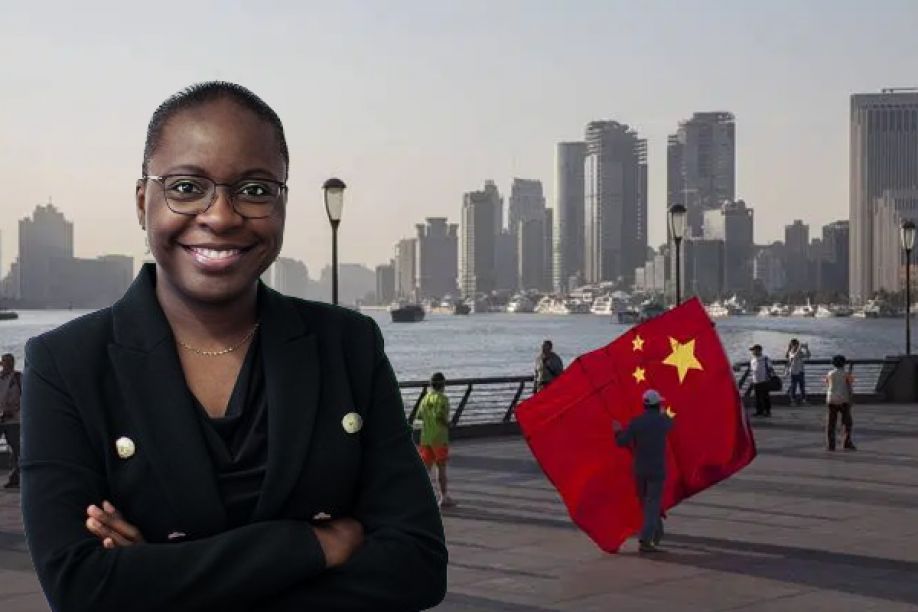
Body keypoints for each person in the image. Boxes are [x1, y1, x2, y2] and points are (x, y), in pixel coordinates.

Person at [20, 82, 446, 612]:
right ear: (142, 201)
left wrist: (159, 576)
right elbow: (81, 589)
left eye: (256, 190)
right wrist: (313, 544)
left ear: (283, 204)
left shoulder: (347, 345)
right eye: (185, 187)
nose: (221, 216)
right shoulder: (66, 364)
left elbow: (417, 567)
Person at [613, 389, 673, 553]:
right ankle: (646, 540)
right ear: (657, 404)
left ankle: (657, 533)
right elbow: (670, 423)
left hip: (640, 470)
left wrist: (617, 430)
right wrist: (663, 413)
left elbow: (621, 441)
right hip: (657, 470)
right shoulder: (663, 422)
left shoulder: (636, 423)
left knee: (648, 504)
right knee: (652, 505)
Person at [415, 372, 455, 509]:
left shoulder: (425, 398)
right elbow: (439, 415)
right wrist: (448, 424)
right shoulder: (442, 399)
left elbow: (419, 416)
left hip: (426, 437)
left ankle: (419, 496)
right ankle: (444, 497)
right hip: (439, 437)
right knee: (441, 467)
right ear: (443, 384)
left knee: (426, 468)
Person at [825, 355, 857, 451]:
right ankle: (846, 442)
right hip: (844, 400)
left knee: (831, 423)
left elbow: (827, 383)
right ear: (844, 364)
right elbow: (850, 387)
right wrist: (851, 399)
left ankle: (831, 445)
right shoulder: (846, 374)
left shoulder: (830, 373)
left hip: (831, 399)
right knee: (847, 422)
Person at [0, 353, 22, 489]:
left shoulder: (18, 378)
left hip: (13, 420)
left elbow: (26, 397)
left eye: (10, 361)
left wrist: (13, 411)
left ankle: (15, 478)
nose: (7, 364)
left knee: (15, 450)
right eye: (5, 361)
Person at [749, 344, 774, 417]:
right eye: (752, 350)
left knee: (765, 396)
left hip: (764, 380)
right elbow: (752, 370)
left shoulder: (765, 358)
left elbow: (770, 368)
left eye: (753, 350)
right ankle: (759, 411)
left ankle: (767, 411)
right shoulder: (752, 360)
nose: (752, 352)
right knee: (757, 397)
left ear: (758, 350)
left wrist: (769, 376)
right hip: (756, 381)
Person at [785, 338, 811, 405]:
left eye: (797, 344)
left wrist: (807, 348)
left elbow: (808, 356)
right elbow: (795, 356)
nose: (796, 346)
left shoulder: (799, 352)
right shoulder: (790, 352)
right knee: (794, 387)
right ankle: (793, 400)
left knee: (802, 387)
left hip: (801, 371)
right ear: (792, 345)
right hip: (794, 372)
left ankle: (803, 400)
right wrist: (800, 348)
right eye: (795, 344)